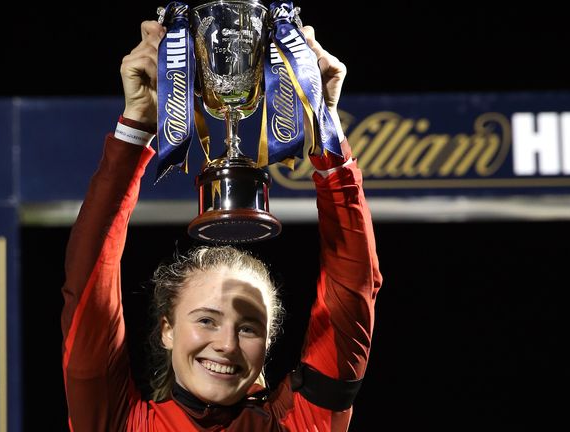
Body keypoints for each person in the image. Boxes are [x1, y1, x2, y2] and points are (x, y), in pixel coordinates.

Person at [60, 18, 383, 432]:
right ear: (167, 330)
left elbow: (354, 288)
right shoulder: (117, 422)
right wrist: (138, 122)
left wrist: (324, 121)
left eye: (248, 327)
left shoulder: (298, 424)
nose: (227, 345)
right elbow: (89, 281)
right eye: (206, 320)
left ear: (267, 344)